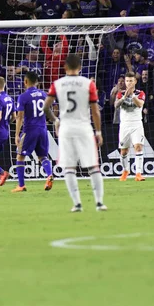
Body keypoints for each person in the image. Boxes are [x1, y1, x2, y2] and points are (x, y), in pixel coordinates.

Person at [43, 54, 106, 212]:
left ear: (65, 67)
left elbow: (45, 107)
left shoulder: (57, 84)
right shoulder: (88, 84)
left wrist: (55, 120)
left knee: (70, 168)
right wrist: (98, 131)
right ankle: (99, 203)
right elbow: (95, 111)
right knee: (93, 167)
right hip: (84, 127)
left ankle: (77, 204)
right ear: (80, 67)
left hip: (66, 127)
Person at [13, 71, 54, 193]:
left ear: (25, 82)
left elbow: (20, 116)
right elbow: (49, 111)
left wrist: (16, 134)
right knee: (42, 156)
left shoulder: (23, 97)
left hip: (30, 130)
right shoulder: (44, 95)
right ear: (37, 82)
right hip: (43, 129)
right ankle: (49, 175)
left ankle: (21, 185)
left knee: (20, 156)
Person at [114, 72, 146, 182]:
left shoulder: (140, 93)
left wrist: (132, 95)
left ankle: (138, 173)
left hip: (137, 124)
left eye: (131, 81)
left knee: (138, 147)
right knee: (124, 151)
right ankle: (126, 170)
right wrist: (124, 97)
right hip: (124, 125)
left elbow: (140, 104)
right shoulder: (120, 93)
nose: (129, 83)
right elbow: (116, 105)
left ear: (135, 81)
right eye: (127, 81)